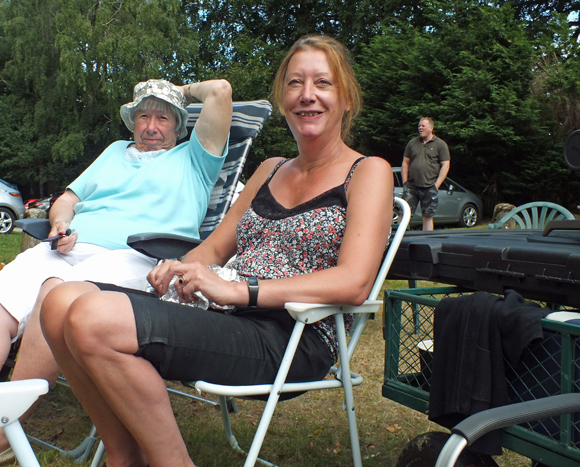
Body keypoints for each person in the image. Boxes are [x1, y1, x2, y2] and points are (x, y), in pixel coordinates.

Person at [40, 34, 393, 467]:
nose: (307, 95)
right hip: (221, 313)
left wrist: (242, 290)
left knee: (94, 319)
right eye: (295, 83)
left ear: (346, 99)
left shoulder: (368, 171)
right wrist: (182, 266)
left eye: (323, 83)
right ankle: (124, 453)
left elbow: (354, 281)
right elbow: (215, 247)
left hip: (289, 334)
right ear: (282, 99)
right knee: (59, 302)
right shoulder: (270, 169)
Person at [0, 78, 233, 467]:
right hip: (72, 247)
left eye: (162, 117)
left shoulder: (196, 158)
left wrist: (173, 88)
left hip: (141, 256)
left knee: (55, 292)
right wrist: (59, 225)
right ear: (132, 122)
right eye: (143, 116)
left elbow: (221, 91)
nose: (151, 126)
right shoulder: (113, 152)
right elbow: (69, 199)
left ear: (179, 125)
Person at [401, 117, 451, 231]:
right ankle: (400, 239)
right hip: (412, 185)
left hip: (429, 186)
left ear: (431, 128)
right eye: (419, 126)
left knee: (428, 216)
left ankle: (426, 240)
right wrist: (405, 181)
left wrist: (437, 184)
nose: (420, 128)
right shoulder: (412, 143)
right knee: (404, 213)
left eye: (423, 126)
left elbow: (446, 165)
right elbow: (405, 162)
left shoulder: (440, 144)